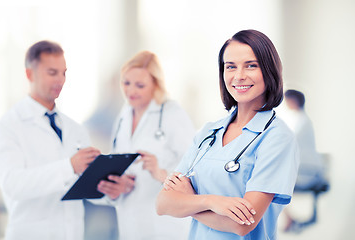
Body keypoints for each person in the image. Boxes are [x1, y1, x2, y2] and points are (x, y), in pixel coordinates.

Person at [156, 29, 300, 240]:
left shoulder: (277, 137)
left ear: (268, 71)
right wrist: (212, 202)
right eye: (230, 67)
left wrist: (189, 201)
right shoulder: (208, 133)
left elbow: (242, 225)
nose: (239, 75)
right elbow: (163, 203)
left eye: (251, 65)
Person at [0, 40, 100, 240]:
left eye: (63, 72)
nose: (60, 80)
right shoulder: (8, 127)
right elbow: (13, 185)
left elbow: (82, 187)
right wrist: (69, 167)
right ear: (29, 74)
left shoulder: (75, 128)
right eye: (52, 73)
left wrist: (109, 186)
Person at [96, 51, 196, 240]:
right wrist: (119, 185)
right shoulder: (124, 115)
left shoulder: (172, 114)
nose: (131, 91)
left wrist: (160, 172)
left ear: (155, 85)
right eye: (126, 83)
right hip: (129, 224)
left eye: (140, 85)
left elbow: (194, 171)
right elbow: (119, 162)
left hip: (166, 227)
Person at [280, 89, 326, 232]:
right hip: (306, 168)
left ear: (293, 101)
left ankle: (289, 218)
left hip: (306, 171)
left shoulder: (301, 121)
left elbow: (290, 143)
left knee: (272, 185)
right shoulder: (300, 119)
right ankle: (289, 218)